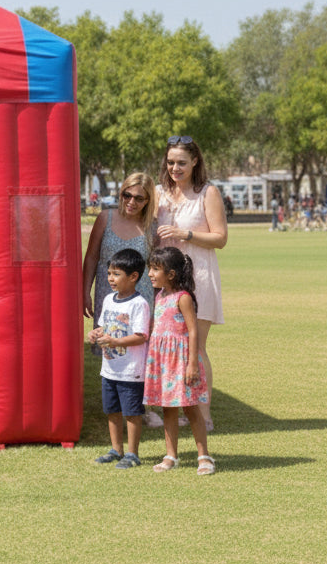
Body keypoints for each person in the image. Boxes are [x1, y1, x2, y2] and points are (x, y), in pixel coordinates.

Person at [155, 136, 225, 431]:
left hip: (199, 279)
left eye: (182, 163)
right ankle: (176, 408)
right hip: (164, 282)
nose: (175, 168)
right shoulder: (158, 192)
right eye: (171, 162)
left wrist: (186, 234)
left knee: (196, 348)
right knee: (168, 346)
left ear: (195, 161)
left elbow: (220, 238)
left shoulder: (207, 192)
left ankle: (204, 415)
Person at [81, 171, 158, 424]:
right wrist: (85, 291)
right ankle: (114, 402)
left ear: (148, 201)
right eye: (127, 195)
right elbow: (91, 257)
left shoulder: (152, 226)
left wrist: (160, 305)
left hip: (141, 297)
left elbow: (156, 267)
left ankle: (144, 406)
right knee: (111, 347)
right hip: (108, 295)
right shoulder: (106, 217)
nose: (132, 202)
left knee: (138, 350)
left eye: (139, 198)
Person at [142, 247, 213, 475]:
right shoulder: (160, 296)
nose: (150, 274)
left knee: (190, 408)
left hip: (181, 361)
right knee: (168, 409)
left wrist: (192, 364)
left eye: (155, 269)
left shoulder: (183, 298)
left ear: (171, 274)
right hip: (163, 363)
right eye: (150, 268)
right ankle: (171, 455)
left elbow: (193, 331)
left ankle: (204, 456)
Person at [89, 249, 152, 470]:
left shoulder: (139, 304)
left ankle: (133, 454)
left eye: (116, 274)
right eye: (109, 273)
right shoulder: (108, 299)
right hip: (109, 369)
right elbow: (104, 326)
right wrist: (96, 333)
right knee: (112, 410)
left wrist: (115, 342)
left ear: (133, 276)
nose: (110, 278)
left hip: (130, 371)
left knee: (132, 413)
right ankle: (116, 449)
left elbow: (141, 336)